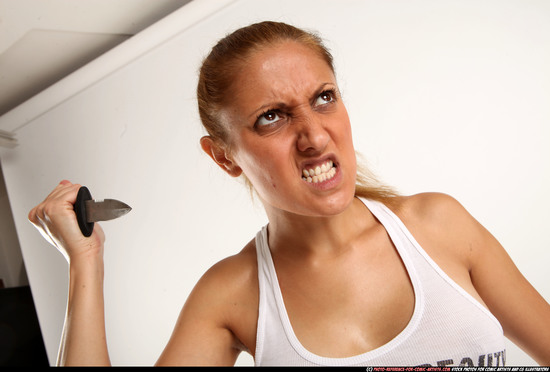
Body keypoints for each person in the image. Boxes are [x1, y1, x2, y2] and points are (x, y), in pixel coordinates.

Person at [28, 21, 550, 367]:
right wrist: (85, 263)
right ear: (224, 156)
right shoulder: (232, 295)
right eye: (271, 117)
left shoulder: (439, 225)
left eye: (323, 98)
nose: (315, 136)